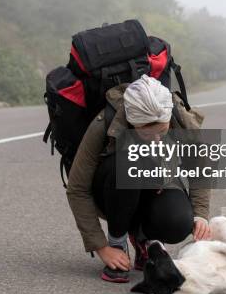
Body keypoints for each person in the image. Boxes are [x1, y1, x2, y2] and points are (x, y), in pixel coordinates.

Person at [66, 74, 211, 283]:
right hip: (113, 189)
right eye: (146, 133)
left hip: (158, 182)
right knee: (129, 163)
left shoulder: (179, 118)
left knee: (178, 223)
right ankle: (118, 241)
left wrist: (201, 215)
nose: (156, 139)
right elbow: (77, 189)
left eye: (162, 131)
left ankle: (144, 239)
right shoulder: (105, 122)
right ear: (132, 123)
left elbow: (199, 167)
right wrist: (102, 247)